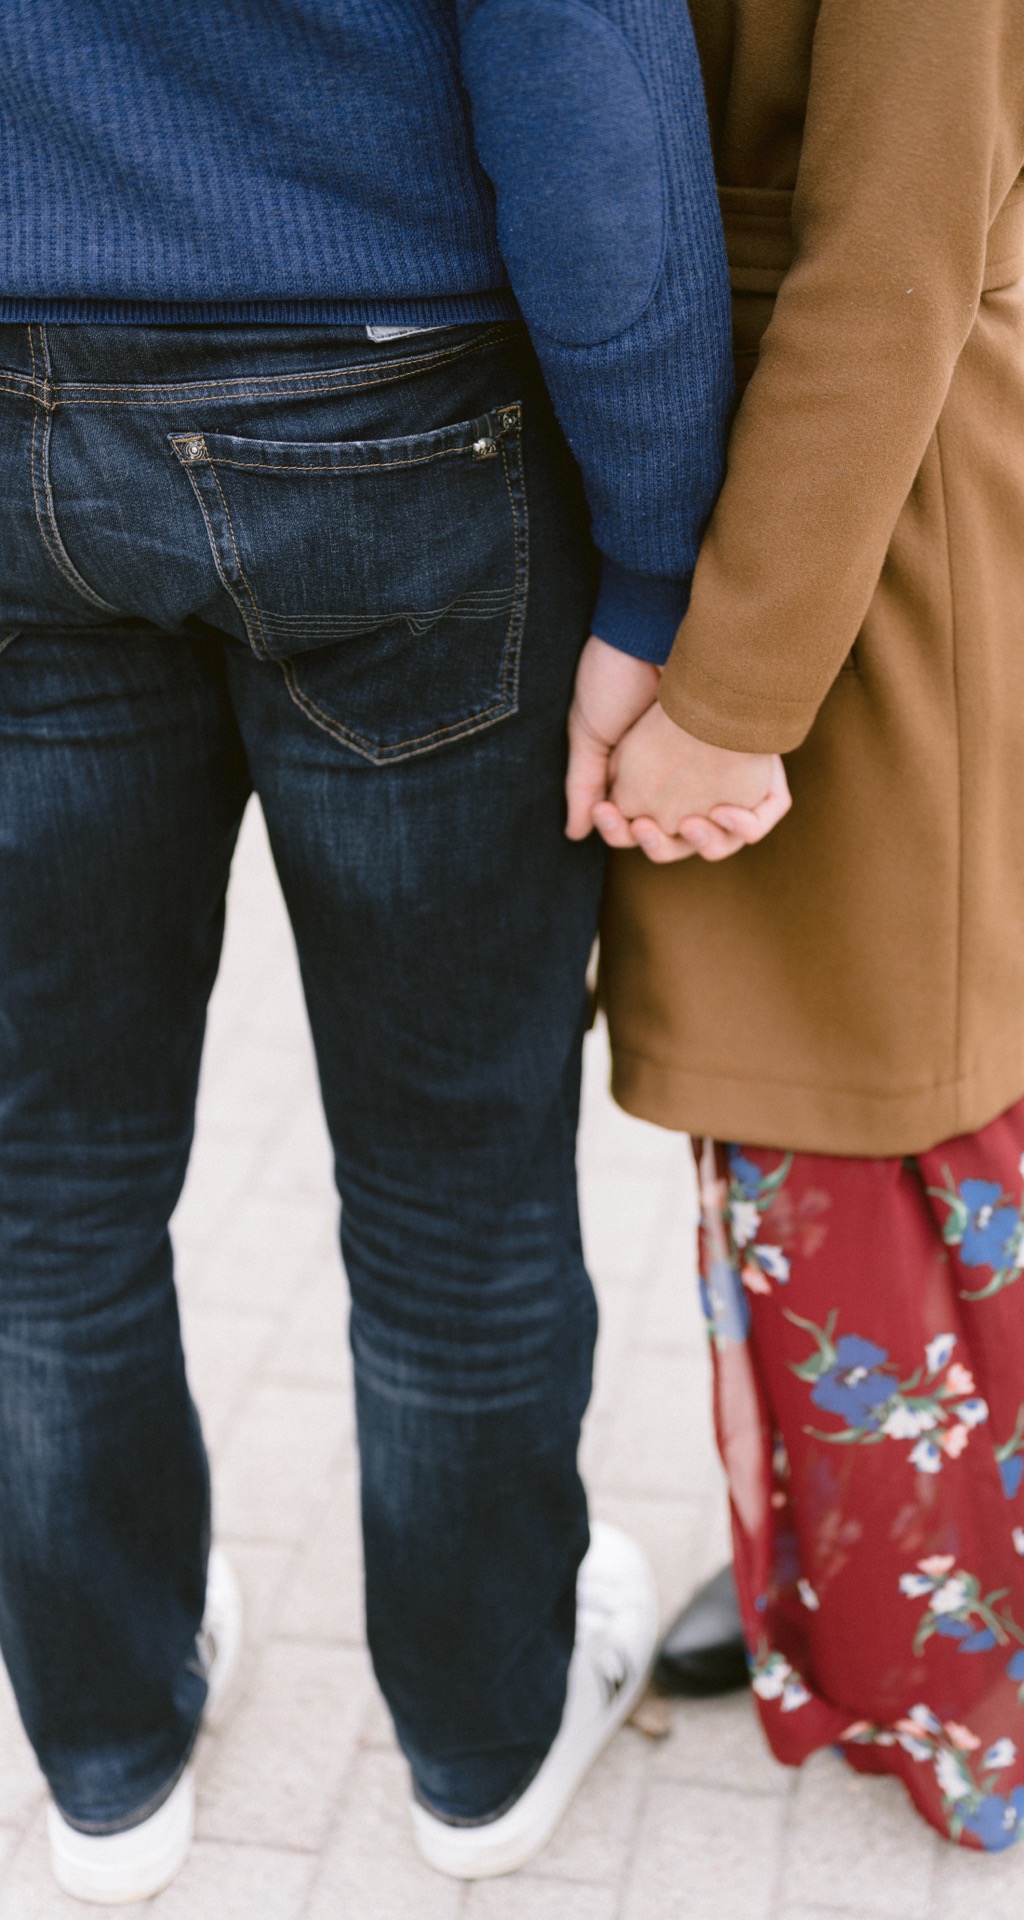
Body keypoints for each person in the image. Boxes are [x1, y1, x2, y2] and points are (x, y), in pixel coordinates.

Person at [0, 0, 760, 1901]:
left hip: (18, 403)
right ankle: (483, 1746)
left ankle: (106, 1756)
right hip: (404, 423)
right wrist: (665, 565)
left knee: (45, 1178)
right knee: (452, 1179)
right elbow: (583, 79)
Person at [585, 0, 1024, 1852]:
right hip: (815, 483)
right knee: (838, 1093)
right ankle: (859, 1591)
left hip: (863, 516)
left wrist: (729, 695)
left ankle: (994, 1672)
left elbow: (884, 268)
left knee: (917, 1099)